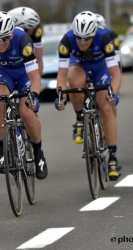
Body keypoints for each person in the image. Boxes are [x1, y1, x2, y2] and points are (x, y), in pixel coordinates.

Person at [54, 11, 122, 180]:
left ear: (94, 34)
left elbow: (116, 73)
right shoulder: (67, 40)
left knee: (105, 106)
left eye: (87, 38)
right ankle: (79, 119)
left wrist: (112, 93)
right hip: (80, 64)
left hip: (101, 67)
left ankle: (112, 157)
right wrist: (61, 96)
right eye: (79, 38)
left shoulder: (105, 38)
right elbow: (62, 76)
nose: (82, 42)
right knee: (74, 82)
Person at [0, 11, 48, 180]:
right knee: (0, 102)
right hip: (2, 72)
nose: (0, 43)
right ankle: (3, 150)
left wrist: (34, 96)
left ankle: (39, 153)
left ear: (11, 33)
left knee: (26, 112)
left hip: (24, 73)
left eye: (4, 38)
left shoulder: (23, 40)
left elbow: (34, 77)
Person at [7, 6, 43, 76]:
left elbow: (39, 59)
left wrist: (37, 81)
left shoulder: (37, 30)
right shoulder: (9, 34)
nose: (34, 28)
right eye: (31, 27)